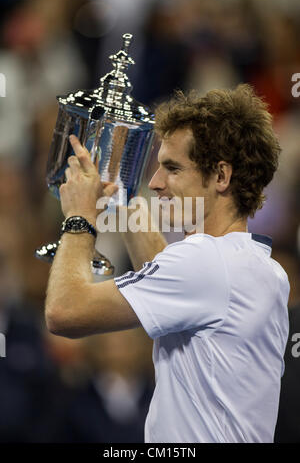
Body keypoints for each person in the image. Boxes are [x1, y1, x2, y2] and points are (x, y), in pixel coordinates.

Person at [45, 84, 290, 443]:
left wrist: (80, 218)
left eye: (172, 168)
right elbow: (173, 278)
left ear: (221, 176)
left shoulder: (205, 262)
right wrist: (124, 198)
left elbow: (64, 312)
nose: (156, 184)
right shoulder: (260, 267)